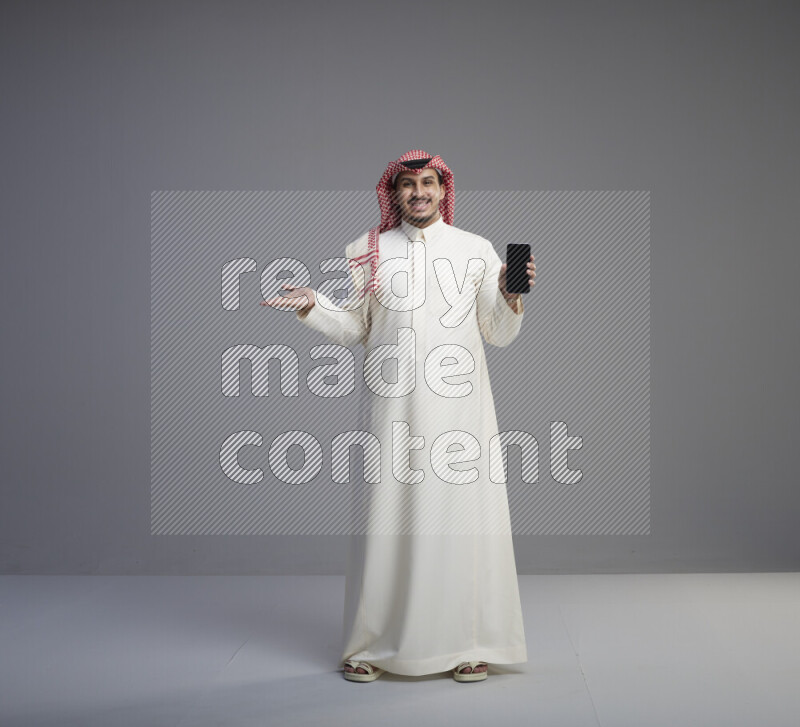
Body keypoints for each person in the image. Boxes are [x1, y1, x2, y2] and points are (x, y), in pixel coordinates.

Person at [263, 150, 536, 682]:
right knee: (385, 522)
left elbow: (499, 333)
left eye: (428, 183)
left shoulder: (476, 251)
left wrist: (510, 295)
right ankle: (370, 646)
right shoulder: (367, 250)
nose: (419, 193)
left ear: (443, 190)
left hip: (459, 414)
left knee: (459, 524)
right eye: (408, 185)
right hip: (390, 412)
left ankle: (467, 645)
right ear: (394, 194)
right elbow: (355, 329)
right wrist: (312, 306)